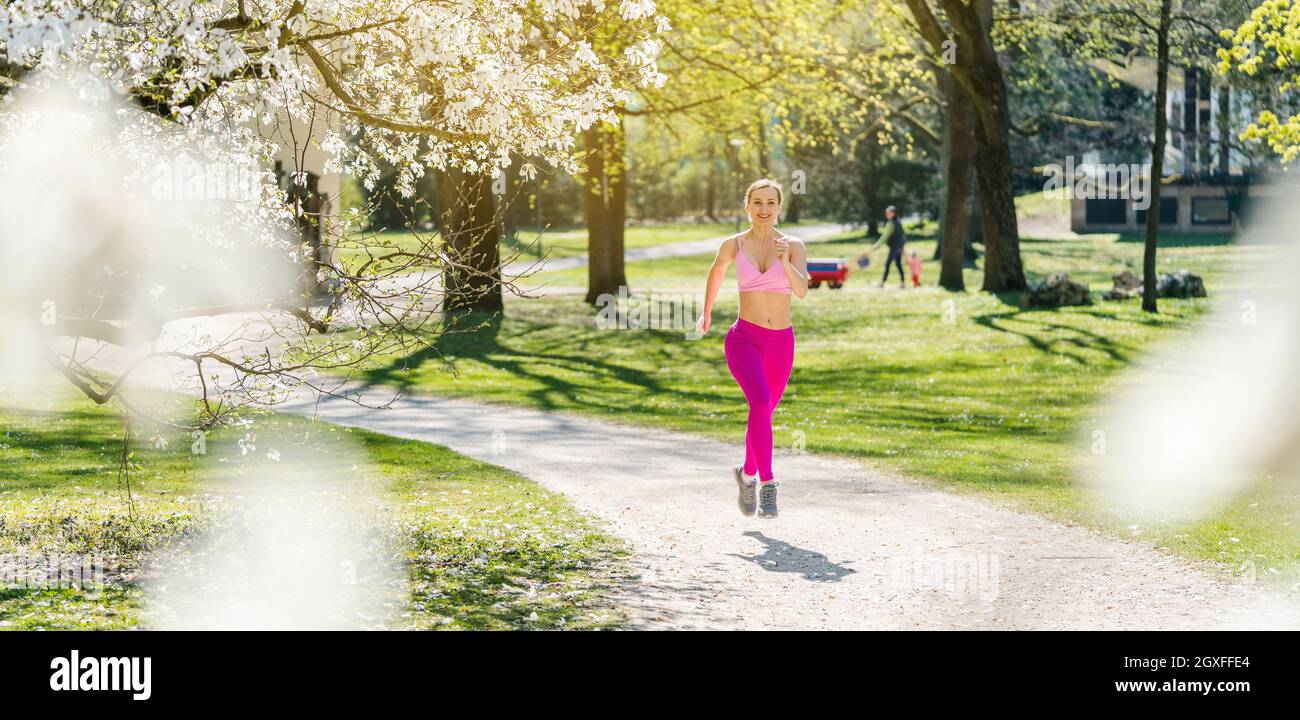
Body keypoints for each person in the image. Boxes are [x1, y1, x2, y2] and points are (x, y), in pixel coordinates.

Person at [695, 179, 808, 518]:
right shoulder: (734, 244)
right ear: (747, 206)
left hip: (781, 343)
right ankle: (768, 485)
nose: (763, 209)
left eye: (770, 203)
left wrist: (784, 261)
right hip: (744, 339)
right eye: (757, 202)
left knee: (763, 413)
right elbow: (715, 274)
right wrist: (707, 311)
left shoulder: (794, 245)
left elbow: (801, 291)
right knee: (759, 402)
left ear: (779, 207)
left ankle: (746, 475)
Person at [870, 205, 906, 288]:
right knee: (898, 264)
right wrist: (902, 246)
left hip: (895, 247)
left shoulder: (891, 223)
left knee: (887, 264)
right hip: (899, 247)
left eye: (888, 213)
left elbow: (885, 235)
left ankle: (882, 283)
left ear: (893, 213)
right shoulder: (898, 222)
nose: (886, 214)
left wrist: (877, 244)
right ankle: (903, 283)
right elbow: (902, 235)